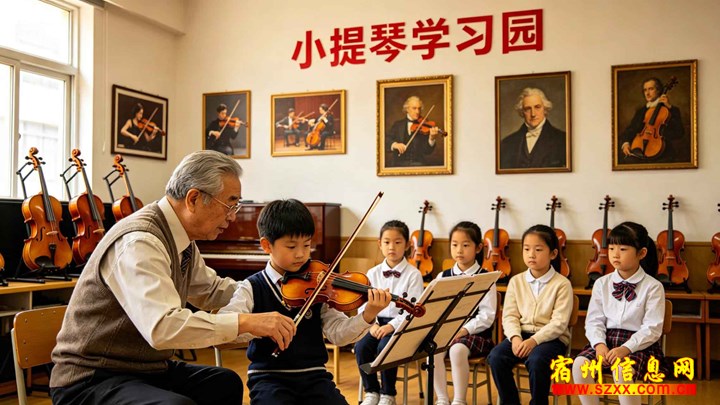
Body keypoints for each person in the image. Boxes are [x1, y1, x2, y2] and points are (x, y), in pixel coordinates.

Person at [50, 150, 294, 405]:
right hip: (91, 378)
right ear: (194, 199)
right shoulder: (140, 241)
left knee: (225, 383)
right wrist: (245, 322)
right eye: (229, 205)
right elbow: (163, 327)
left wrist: (276, 290)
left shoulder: (182, 239)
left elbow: (211, 290)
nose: (233, 216)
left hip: (145, 370)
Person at [219, 199, 393, 405]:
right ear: (267, 245)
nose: (301, 254)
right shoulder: (251, 287)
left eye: (307, 245)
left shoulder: (319, 283)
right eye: (291, 246)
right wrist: (255, 325)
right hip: (269, 378)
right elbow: (224, 323)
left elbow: (338, 334)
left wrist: (368, 314)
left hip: (314, 377)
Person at [572, 222, 666, 405]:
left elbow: (652, 329)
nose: (615, 254)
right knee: (579, 365)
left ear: (642, 253)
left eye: (623, 249)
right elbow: (594, 320)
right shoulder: (602, 283)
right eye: (611, 248)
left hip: (640, 345)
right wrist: (599, 345)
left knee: (623, 369)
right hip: (606, 340)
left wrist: (626, 349)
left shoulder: (653, 287)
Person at [487, 224, 573, 405]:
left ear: (553, 254)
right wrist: (515, 338)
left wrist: (534, 341)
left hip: (551, 339)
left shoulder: (562, 284)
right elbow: (509, 316)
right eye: (526, 249)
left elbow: (559, 323)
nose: (531, 254)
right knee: (496, 357)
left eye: (538, 249)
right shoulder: (516, 281)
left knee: (537, 360)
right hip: (520, 335)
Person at [356, 220, 424, 405]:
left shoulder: (414, 274)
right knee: (361, 347)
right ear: (379, 244)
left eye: (397, 242)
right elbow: (363, 303)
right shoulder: (372, 273)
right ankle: (371, 391)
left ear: (407, 245)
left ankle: (388, 393)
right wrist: (372, 324)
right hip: (375, 323)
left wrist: (390, 326)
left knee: (385, 347)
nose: (391, 247)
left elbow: (413, 310)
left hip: (401, 325)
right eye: (386, 242)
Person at [432, 221, 497, 405]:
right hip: (447, 333)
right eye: (454, 245)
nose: (459, 250)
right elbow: (435, 308)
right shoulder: (442, 276)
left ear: (478, 248)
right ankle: (442, 398)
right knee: (432, 349)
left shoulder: (486, 277)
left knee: (457, 349)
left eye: (466, 245)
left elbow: (487, 315)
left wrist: (464, 330)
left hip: (476, 335)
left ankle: (459, 400)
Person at [619, 77, 684, 163]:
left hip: (662, 152)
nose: (647, 93)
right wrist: (625, 143)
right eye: (645, 90)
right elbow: (631, 129)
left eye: (651, 89)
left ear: (658, 90)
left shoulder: (670, 110)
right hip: (638, 148)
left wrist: (669, 108)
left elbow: (679, 133)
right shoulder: (641, 111)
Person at [499, 88, 567, 169]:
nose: (533, 114)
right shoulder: (507, 143)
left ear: (545, 109)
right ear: (522, 112)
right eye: (528, 109)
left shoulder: (563, 140)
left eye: (537, 107)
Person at [385, 96, 441, 167]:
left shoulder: (424, 125)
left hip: (419, 164)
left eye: (419, 108)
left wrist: (431, 138)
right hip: (398, 164)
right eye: (414, 108)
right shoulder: (398, 125)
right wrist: (395, 144)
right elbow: (386, 140)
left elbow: (427, 151)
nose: (417, 112)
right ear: (407, 109)